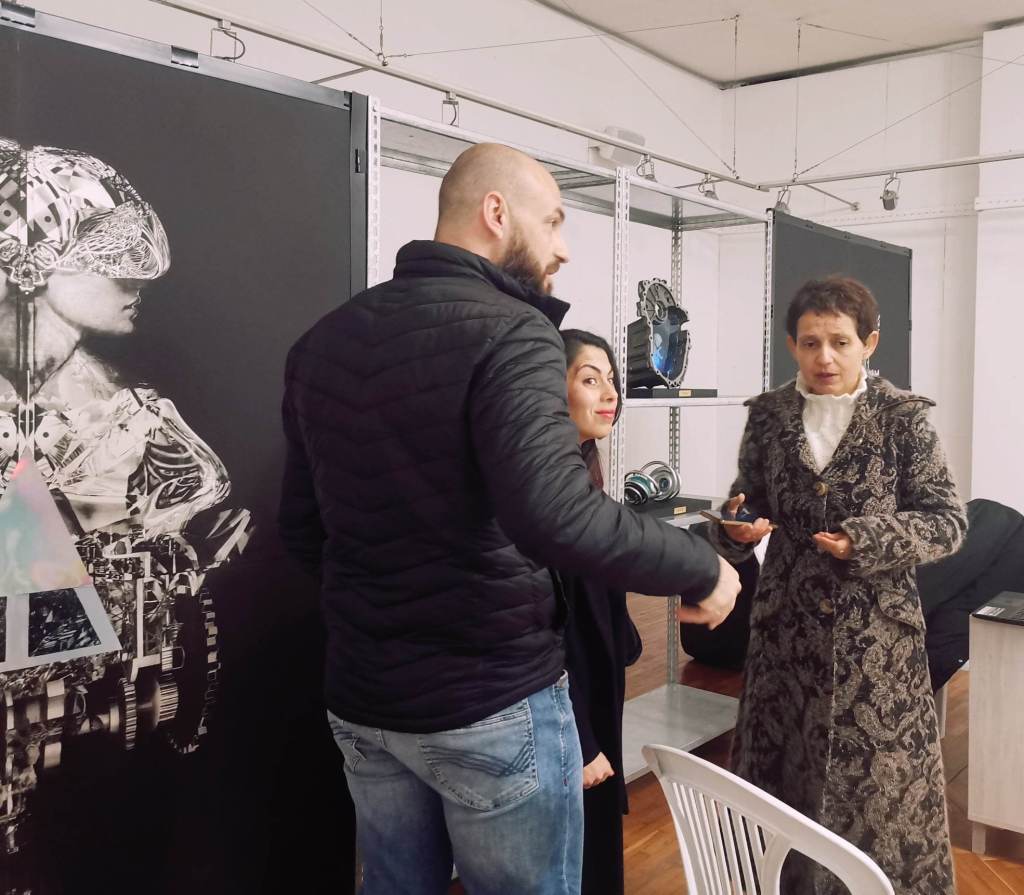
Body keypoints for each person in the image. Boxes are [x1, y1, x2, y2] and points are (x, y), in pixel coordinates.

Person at [278, 142, 741, 895]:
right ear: (496, 212)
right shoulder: (515, 329)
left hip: (365, 701)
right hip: (488, 699)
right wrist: (700, 564)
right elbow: (553, 512)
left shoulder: (321, 342)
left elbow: (303, 531)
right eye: (553, 221)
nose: (563, 247)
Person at [708, 275, 965, 895]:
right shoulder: (769, 416)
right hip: (786, 639)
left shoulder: (905, 420)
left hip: (877, 647)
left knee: (879, 795)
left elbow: (947, 522)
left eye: (840, 342)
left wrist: (866, 540)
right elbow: (747, 499)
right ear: (791, 345)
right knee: (782, 784)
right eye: (810, 342)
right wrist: (737, 527)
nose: (825, 357)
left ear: (868, 343)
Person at [559, 328, 640, 895]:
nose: (610, 393)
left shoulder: (585, 477)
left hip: (594, 699)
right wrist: (582, 739)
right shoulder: (544, 497)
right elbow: (547, 632)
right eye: (591, 379)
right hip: (569, 716)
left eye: (612, 379)